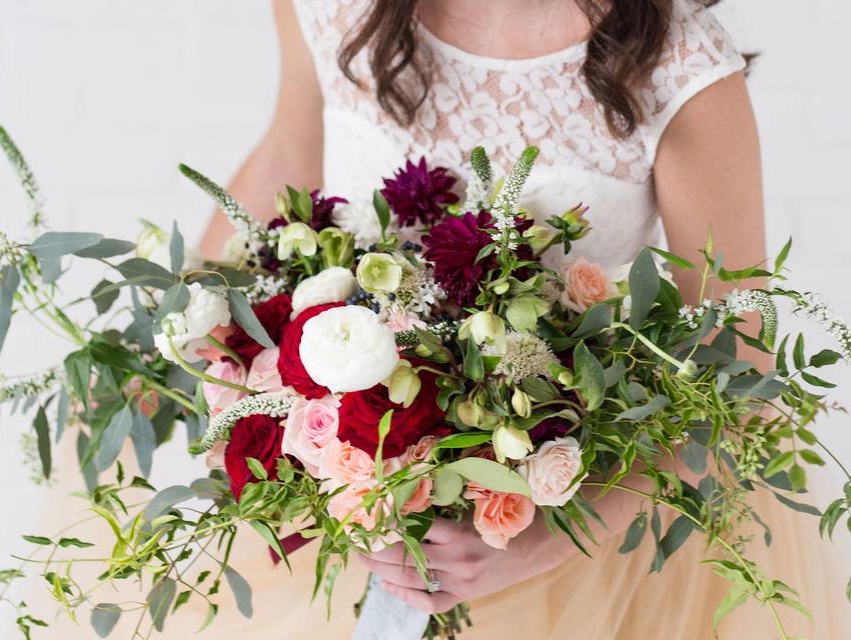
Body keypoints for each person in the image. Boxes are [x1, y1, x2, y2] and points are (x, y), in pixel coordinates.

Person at [190, 1, 850, 637]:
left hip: (574, 536)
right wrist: (187, 313)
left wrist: (544, 541)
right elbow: (287, 157)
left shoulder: (682, 70)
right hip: (348, 513)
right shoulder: (334, 6)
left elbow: (736, 360)